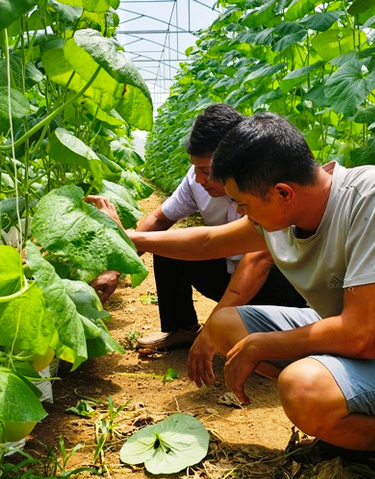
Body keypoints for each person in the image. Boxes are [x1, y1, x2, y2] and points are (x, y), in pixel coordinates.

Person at [127, 112, 375, 479]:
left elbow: (360, 336)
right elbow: (210, 240)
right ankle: (351, 422)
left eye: (244, 204)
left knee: (303, 388)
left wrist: (262, 344)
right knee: (225, 324)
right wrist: (132, 239)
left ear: (282, 193)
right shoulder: (287, 210)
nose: (242, 213)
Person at [90, 104, 305, 353]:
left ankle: (280, 337)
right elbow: (160, 219)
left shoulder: (266, 187)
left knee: (265, 343)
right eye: (196, 169)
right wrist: (116, 268)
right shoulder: (197, 180)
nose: (199, 178)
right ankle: (183, 329)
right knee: (168, 247)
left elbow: (255, 263)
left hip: (276, 286)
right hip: (230, 275)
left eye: (207, 170)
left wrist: (213, 330)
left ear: (236, 159)